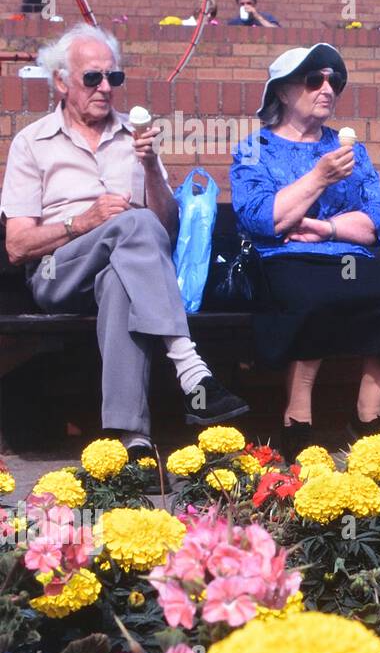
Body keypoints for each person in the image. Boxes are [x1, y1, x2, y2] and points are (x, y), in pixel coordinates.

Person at [0, 24, 248, 460]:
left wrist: (151, 167)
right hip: (58, 273)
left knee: (121, 279)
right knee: (131, 224)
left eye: (113, 78)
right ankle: (191, 371)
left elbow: (165, 230)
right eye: (92, 77)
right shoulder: (31, 143)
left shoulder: (136, 141)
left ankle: (130, 440)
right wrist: (83, 221)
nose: (105, 88)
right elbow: (17, 246)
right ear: (61, 81)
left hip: (125, 274)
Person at [230, 43, 380, 457]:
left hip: (344, 255)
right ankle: (297, 421)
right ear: (281, 91)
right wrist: (317, 178)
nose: (327, 88)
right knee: (310, 299)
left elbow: (376, 218)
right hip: (283, 259)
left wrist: (325, 227)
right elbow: (261, 218)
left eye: (334, 80)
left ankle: (367, 419)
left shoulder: (350, 148)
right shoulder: (253, 149)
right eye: (314, 80)